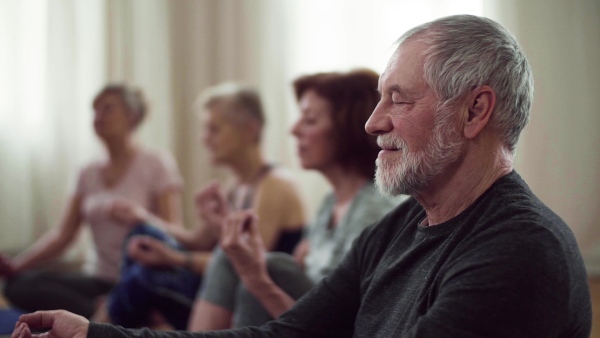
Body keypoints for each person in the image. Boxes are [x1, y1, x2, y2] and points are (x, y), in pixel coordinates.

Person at [12, 14, 592, 338]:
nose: (372, 122)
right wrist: (92, 336)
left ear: (474, 112)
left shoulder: (520, 251)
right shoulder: (394, 233)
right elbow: (285, 337)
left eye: (399, 99)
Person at [188, 69, 398, 330]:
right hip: (302, 322)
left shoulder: (375, 212)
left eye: (309, 120)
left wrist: (261, 282)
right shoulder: (330, 203)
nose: (294, 129)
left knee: (270, 267)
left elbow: (343, 328)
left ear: (346, 128)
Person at [103, 83, 308, 330]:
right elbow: (197, 241)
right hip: (221, 286)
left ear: (250, 130)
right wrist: (143, 216)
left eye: (214, 129)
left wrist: (175, 259)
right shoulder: (236, 185)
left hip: (243, 301)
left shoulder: (274, 185)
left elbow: (244, 264)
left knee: (141, 279)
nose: (204, 138)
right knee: (141, 233)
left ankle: (98, 324)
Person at [0, 84, 183, 319]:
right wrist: (17, 266)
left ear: (132, 116)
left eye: (107, 109)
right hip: (99, 279)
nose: (98, 117)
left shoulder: (157, 163)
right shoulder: (86, 172)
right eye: (94, 110)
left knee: (132, 297)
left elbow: (174, 233)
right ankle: (106, 316)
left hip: (137, 280)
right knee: (19, 285)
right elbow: (62, 236)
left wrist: (141, 216)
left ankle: (110, 315)